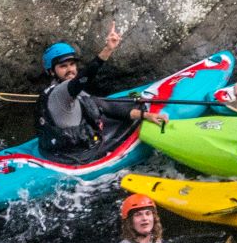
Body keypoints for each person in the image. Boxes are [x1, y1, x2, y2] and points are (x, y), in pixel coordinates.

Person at [32, 27, 165, 159]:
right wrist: (108, 49)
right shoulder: (60, 92)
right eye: (63, 66)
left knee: (111, 109)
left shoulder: (68, 91)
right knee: (127, 118)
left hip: (58, 150)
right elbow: (86, 75)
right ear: (51, 72)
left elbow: (104, 106)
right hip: (79, 155)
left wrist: (145, 114)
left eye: (72, 64)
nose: (70, 70)